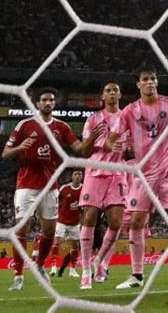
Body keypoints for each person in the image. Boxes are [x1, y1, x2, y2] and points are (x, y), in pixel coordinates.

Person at [108, 67, 168, 289]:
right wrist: (114, 144)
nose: (150, 82)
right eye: (145, 79)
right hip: (143, 175)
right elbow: (112, 138)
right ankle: (137, 275)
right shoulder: (129, 111)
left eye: (153, 79)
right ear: (138, 84)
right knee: (136, 222)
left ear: (157, 83)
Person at [3, 87, 103, 291]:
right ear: (37, 103)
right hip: (26, 185)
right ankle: (18, 275)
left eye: (51, 100)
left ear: (54, 103)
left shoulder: (62, 127)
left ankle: (39, 266)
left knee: (48, 231)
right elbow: (5, 154)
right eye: (44, 100)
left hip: (50, 186)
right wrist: (20, 148)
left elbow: (81, 150)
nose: (48, 103)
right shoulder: (25, 125)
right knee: (21, 229)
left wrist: (92, 138)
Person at [78, 81, 128, 289]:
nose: (112, 93)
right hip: (95, 173)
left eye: (116, 90)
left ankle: (102, 263)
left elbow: (135, 146)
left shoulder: (129, 118)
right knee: (89, 217)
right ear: (102, 96)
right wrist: (97, 139)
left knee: (116, 223)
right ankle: (86, 271)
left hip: (118, 174)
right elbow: (83, 151)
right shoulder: (93, 119)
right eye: (108, 90)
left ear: (120, 95)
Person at [52, 170, 83, 278]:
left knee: (76, 246)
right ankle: (54, 266)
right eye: (75, 174)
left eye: (80, 174)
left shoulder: (84, 189)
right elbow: (56, 200)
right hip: (62, 221)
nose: (78, 176)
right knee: (57, 241)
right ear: (72, 176)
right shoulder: (64, 188)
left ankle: (73, 269)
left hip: (75, 223)